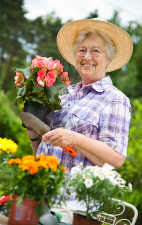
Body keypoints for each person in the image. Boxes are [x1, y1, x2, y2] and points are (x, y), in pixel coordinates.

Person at [26, 18, 133, 223]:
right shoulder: (63, 94)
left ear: (108, 59)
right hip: (40, 194)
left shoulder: (115, 99)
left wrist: (74, 138)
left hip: (75, 207)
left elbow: (116, 159)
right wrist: (33, 132)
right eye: (81, 50)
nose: (87, 57)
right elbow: (45, 149)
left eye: (95, 51)